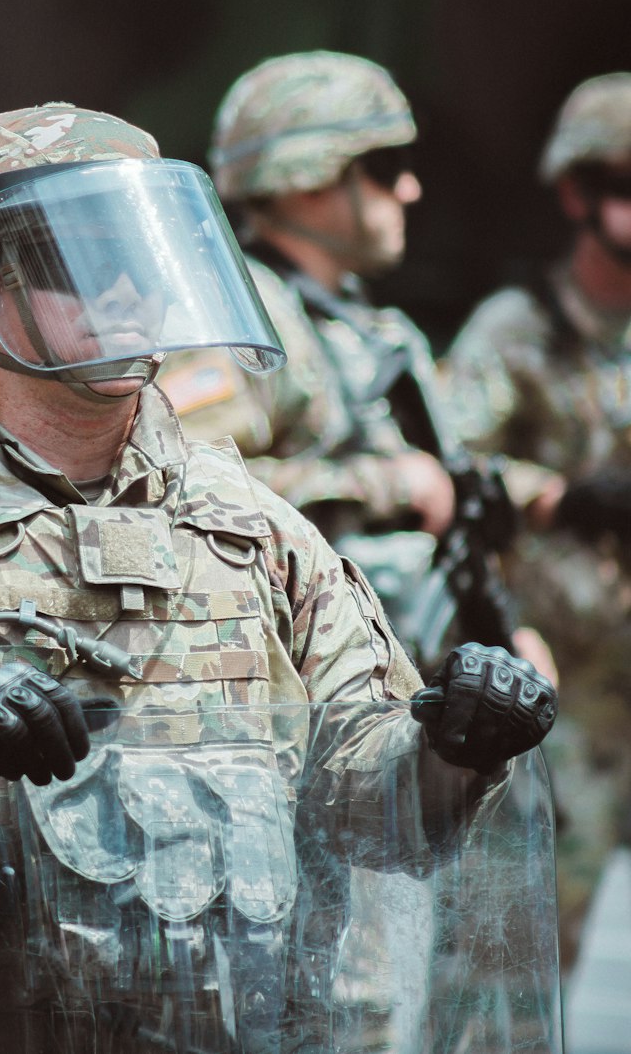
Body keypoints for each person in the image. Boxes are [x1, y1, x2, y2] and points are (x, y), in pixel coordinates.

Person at [0, 102, 556, 1054]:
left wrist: (455, 745)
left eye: (139, 256)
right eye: (73, 259)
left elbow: (366, 802)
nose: (124, 289)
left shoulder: (257, 529)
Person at [159, 50, 553, 682]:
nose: (409, 188)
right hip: (300, 703)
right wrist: (386, 487)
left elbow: (445, 478)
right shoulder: (239, 322)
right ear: (309, 178)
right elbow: (176, 493)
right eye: (385, 166)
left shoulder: (365, 326)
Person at [441, 71, 631, 972]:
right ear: (578, 194)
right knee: (528, 947)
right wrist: (560, 492)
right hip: (563, 686)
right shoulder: (516, 329)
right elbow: (449, 471)